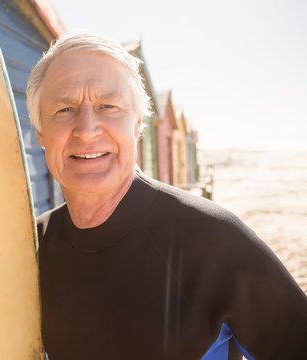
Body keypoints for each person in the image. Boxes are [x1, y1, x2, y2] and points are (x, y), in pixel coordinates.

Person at [26, 33, 307, 359]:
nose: (87, 129)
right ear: (40, 132)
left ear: (136, 125)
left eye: (108, 105)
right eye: (64, 108)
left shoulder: (213, 239)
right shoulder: (31, 251)